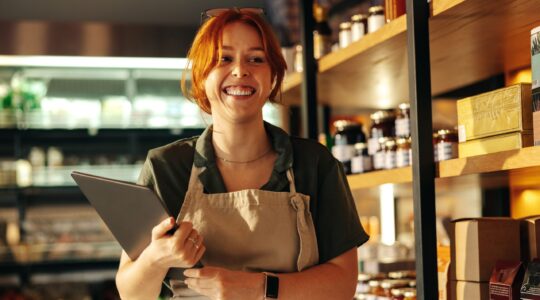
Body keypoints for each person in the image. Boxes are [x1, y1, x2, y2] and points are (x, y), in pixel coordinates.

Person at [115, 7, 369, 300]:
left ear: (273, 75)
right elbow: (131, 293)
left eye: (256, 59)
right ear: (202, 75)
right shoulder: (166, 168)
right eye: (224, 58)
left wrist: (259, 287)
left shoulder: (315, 164)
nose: (240, 70)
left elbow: (343, 282)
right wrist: (155, 259)